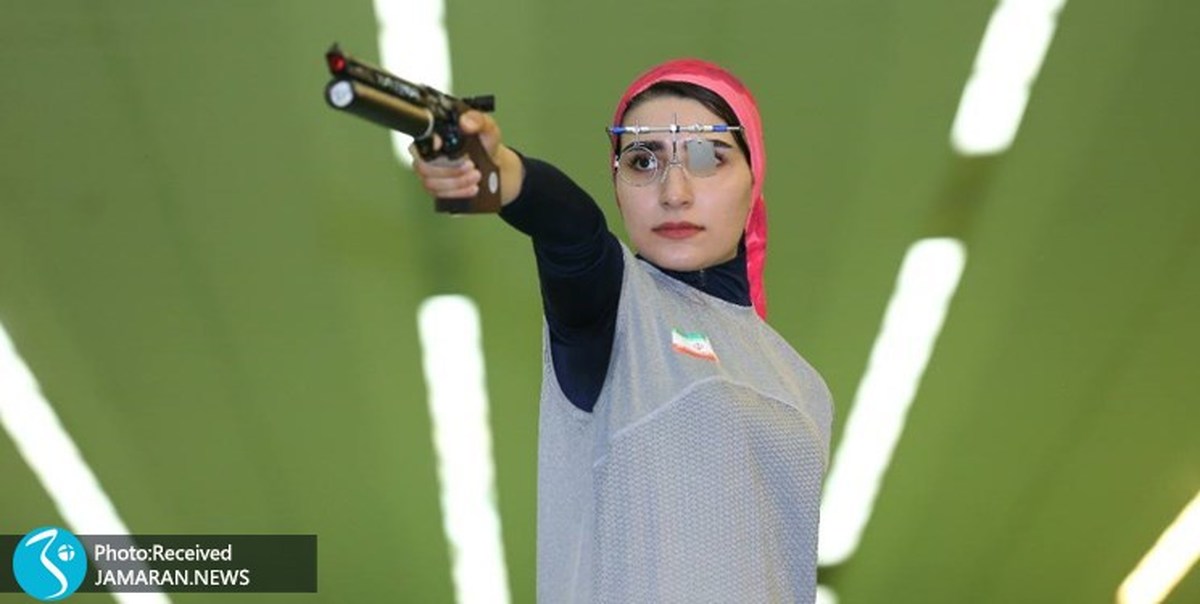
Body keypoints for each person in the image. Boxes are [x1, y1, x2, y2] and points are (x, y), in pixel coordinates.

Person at [413, 59, 834, 603]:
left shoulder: (802, 385)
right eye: (642, 160)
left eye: (708, 157)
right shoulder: (619, 309)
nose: (674, 191)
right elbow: (572, 231)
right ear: (617, 183)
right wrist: (502, 172)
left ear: (754, 178)